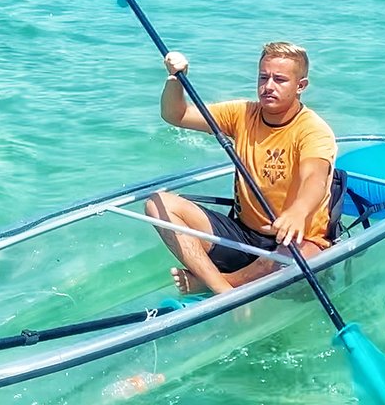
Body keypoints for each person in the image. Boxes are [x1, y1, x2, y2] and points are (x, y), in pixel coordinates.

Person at [144, 42, 337, 297]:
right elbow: (175, 115)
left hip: (294, 241)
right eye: (263, 77)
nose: (268, 87)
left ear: (300, 86)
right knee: (158, 204)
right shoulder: (243, 113)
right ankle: (223, 289)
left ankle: (214, 282)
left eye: (280, 80)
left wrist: (298, 212)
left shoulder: (313, 130)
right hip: (244, 234)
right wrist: (175, 79)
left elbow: (315, 177)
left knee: (293, 254)